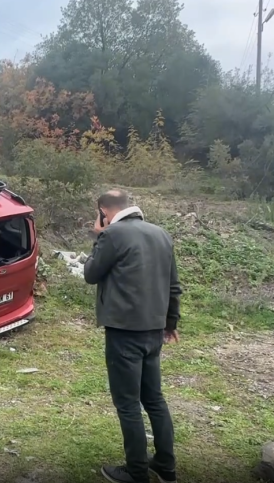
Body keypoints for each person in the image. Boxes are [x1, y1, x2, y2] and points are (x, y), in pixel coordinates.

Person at [83, 189, 182, 483]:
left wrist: (98, 236)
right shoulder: (162, 234)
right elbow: (173, 285)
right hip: (154, 329)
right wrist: (171, 322)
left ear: (103, 210)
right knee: (154, 398)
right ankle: (165, 464)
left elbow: (90, 273)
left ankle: (137, 472)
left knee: (127, 403)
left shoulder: (113, 236)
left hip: (124, 332)